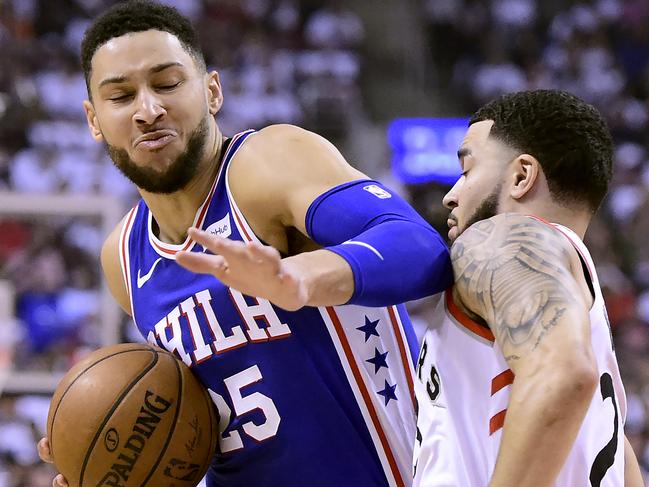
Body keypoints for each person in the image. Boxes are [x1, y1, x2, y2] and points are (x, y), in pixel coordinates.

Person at [37, 1, 453, 486]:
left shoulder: (264, 164)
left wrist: (302, 279)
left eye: (168, 84)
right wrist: (114, 466)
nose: (148, 110)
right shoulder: (123, 257)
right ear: (93, 119)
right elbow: (203, 427)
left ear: (212, 91)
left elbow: (420, 247)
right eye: (121, 96)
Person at [412, 89, 644, 487]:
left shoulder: (503, 238)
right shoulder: (581, 299)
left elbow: (563, 372)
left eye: (467, 171)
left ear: (521, 176)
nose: (451, 195)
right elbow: (623, 464)